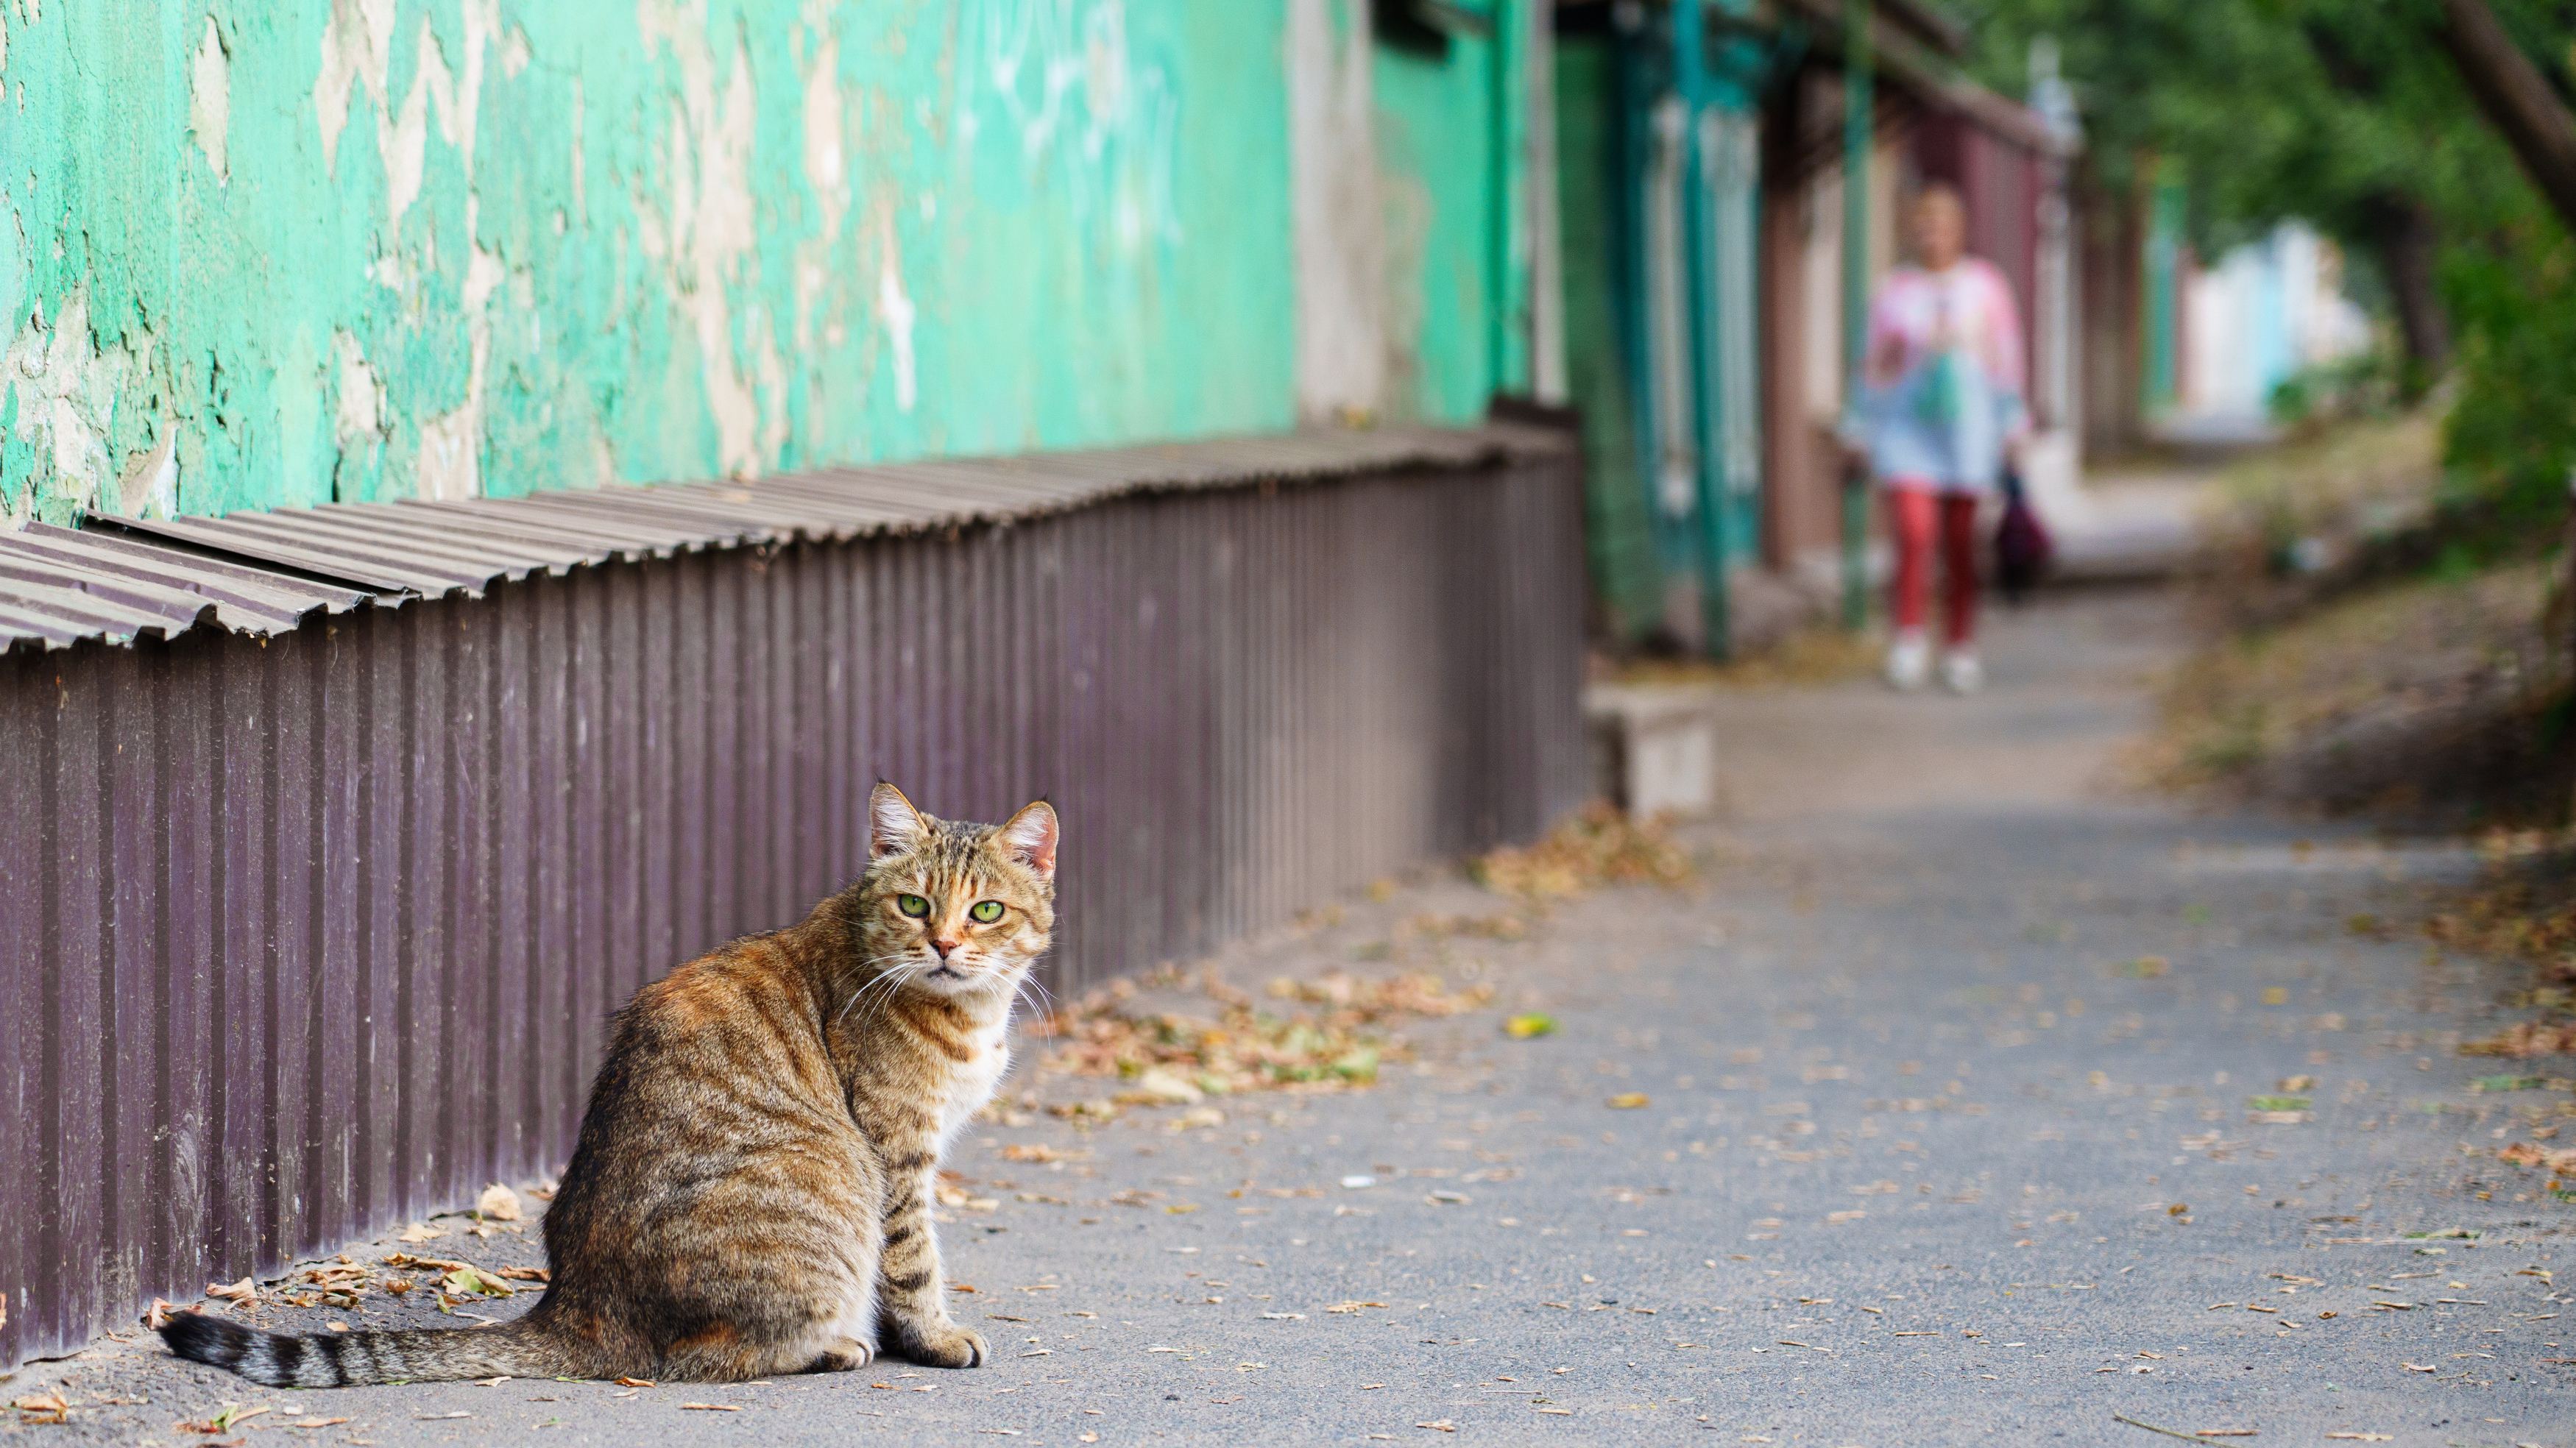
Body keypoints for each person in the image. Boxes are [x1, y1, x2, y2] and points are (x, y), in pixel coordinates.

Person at [1857, 182, 2028, 694]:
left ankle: (1959, 645)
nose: (1932, 235)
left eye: (1942, 225)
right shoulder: (1895, 291)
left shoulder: (1986, 286)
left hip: (1968, 431)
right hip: (1908, 429)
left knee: (1960, 543)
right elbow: (1871, 362)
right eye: (1923, 225)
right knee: (1913, 533)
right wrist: (1858, 422)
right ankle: (1907, 639)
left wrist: (2013, 423)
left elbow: (2006, 358)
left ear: (1960, 231)